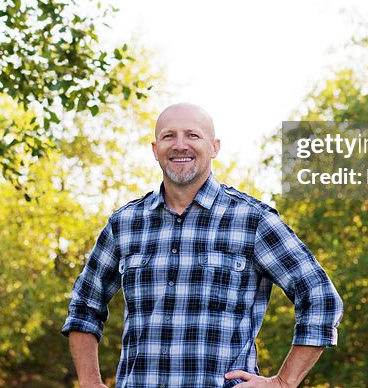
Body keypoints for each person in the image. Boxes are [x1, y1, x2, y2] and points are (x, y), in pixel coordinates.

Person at [62, 103, 343, 387]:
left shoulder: (252, 220)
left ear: (214, 147)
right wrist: (89, 382)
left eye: (193, 136)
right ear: (155, 148)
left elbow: (320, 298)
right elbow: (85, 305)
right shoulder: (125, 224)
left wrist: (283, 382)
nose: (180, 145)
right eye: (169, 136)